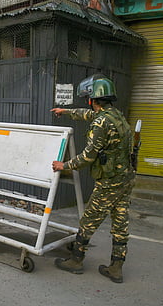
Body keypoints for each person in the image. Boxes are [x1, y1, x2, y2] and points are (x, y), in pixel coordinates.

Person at [50, 74, 135, 283]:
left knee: (88, 221)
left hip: (109, 183)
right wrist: (66, 112)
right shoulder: (116, 116)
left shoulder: (101, 123)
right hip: (125, 179)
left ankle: (76, 261)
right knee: (120, 223)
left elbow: (88, 156)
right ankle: (116, 267)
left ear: (92, 99)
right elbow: (88, 115)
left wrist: (64, 165)